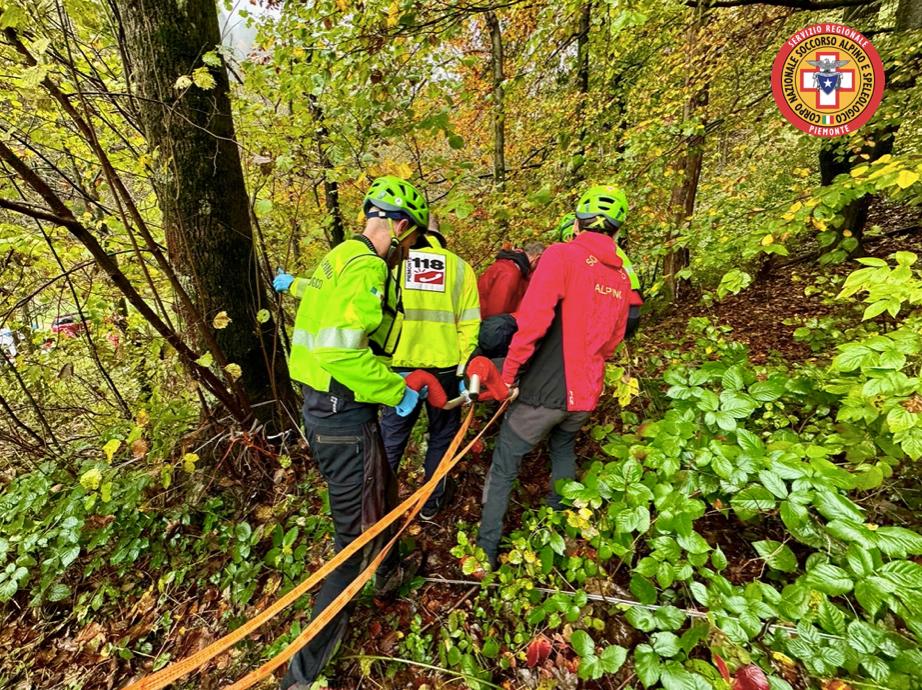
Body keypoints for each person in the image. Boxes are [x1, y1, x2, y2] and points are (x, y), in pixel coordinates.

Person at [272, 176, 431, 690]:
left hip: (324, 411)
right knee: (351, 542)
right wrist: (396, 392)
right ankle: (302, 674)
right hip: (343, 419)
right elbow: (343, 350)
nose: (404, 250)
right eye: (407, 240)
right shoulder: (368, 266)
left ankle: (390, 573)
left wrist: (289, 283)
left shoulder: (339, 255)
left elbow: (321, 301)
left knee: (382, 490)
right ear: (401, 226)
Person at [475, 185, 642, 568]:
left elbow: (531, 323)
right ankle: (558, 526)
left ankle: (485, 551)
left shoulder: (561, 256)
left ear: (578, 222)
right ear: (617, 232)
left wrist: (510, 375)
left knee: (504, 465)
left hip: (544, 393)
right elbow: (613, 342)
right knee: (563, 449)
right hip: (586, 393)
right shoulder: (619, 279)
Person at [379, 216, 481, 520]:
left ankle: (377, 505)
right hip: (446, 370)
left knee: (391, 440)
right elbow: (470, 325)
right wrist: (464, 370)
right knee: (442, 437)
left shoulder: (392, 261)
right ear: (440, 237)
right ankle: (431, 504)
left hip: (399, 369)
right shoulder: (460, 268)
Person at [477, 241, 544, 318]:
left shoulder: (509, 267)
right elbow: (497, 312)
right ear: (538, 258)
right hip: (492, 325)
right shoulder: (510, 273)